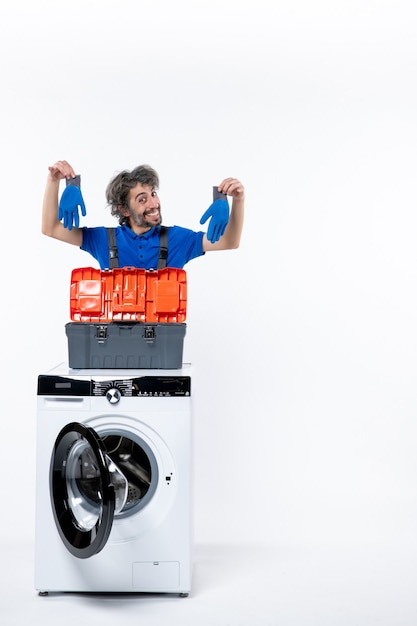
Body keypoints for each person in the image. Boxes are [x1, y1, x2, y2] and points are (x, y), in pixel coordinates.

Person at [42, 160, 245, 270]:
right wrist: (54, 181)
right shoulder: (104, 240)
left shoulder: (178, 239)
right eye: (142, 199)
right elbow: (50, 228)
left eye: (153, 194)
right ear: (123, 209)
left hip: (164, 344)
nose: (154, 204)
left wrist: (238, 200)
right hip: (112, 346)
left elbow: (230, 241)